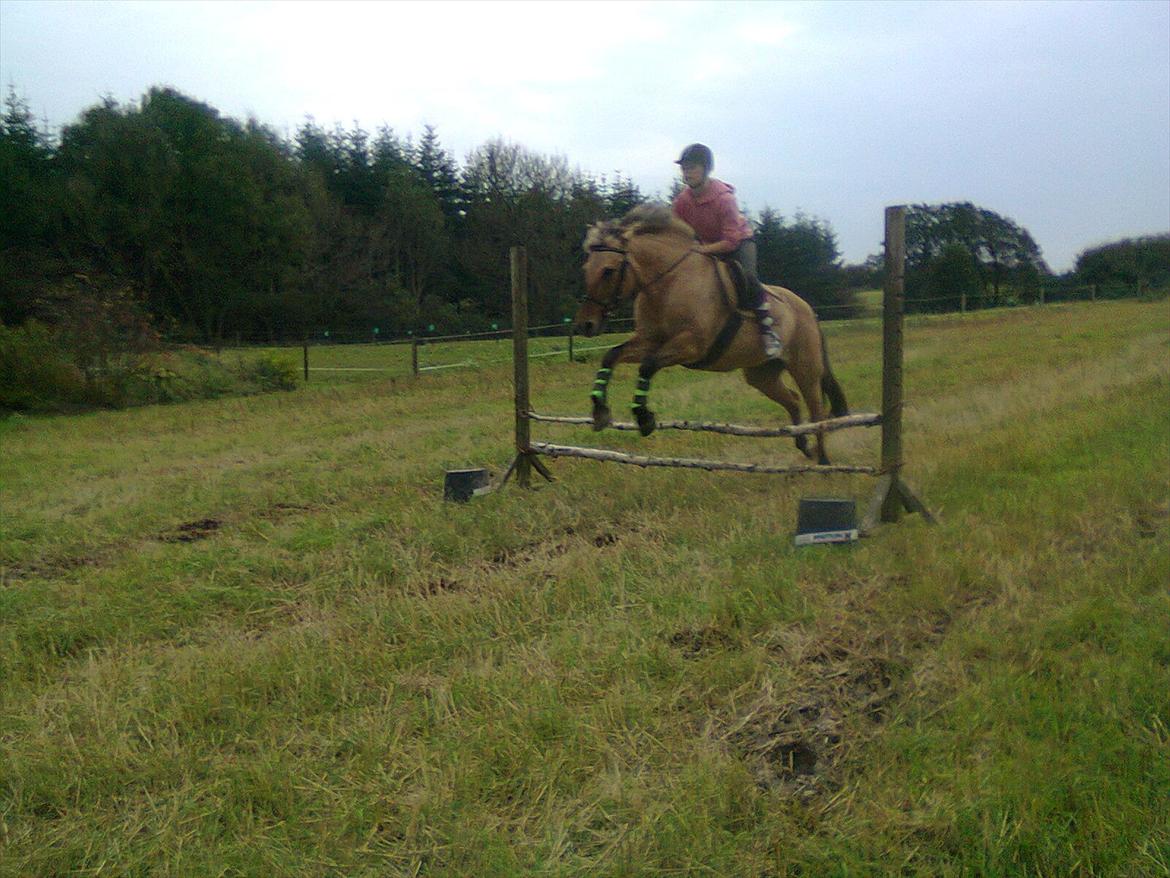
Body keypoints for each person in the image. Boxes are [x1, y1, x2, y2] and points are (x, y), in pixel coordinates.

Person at [671, 143, 782, 359]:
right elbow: (675, 229)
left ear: (706, 169)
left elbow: (730, 241)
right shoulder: (682, 201)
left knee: (747, 277)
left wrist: (702, 250)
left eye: (692, 168)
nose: (687, 173)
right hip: (705, 247)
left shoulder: (725, 199)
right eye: (684, 169)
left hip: (739, 244)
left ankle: (768, 332)